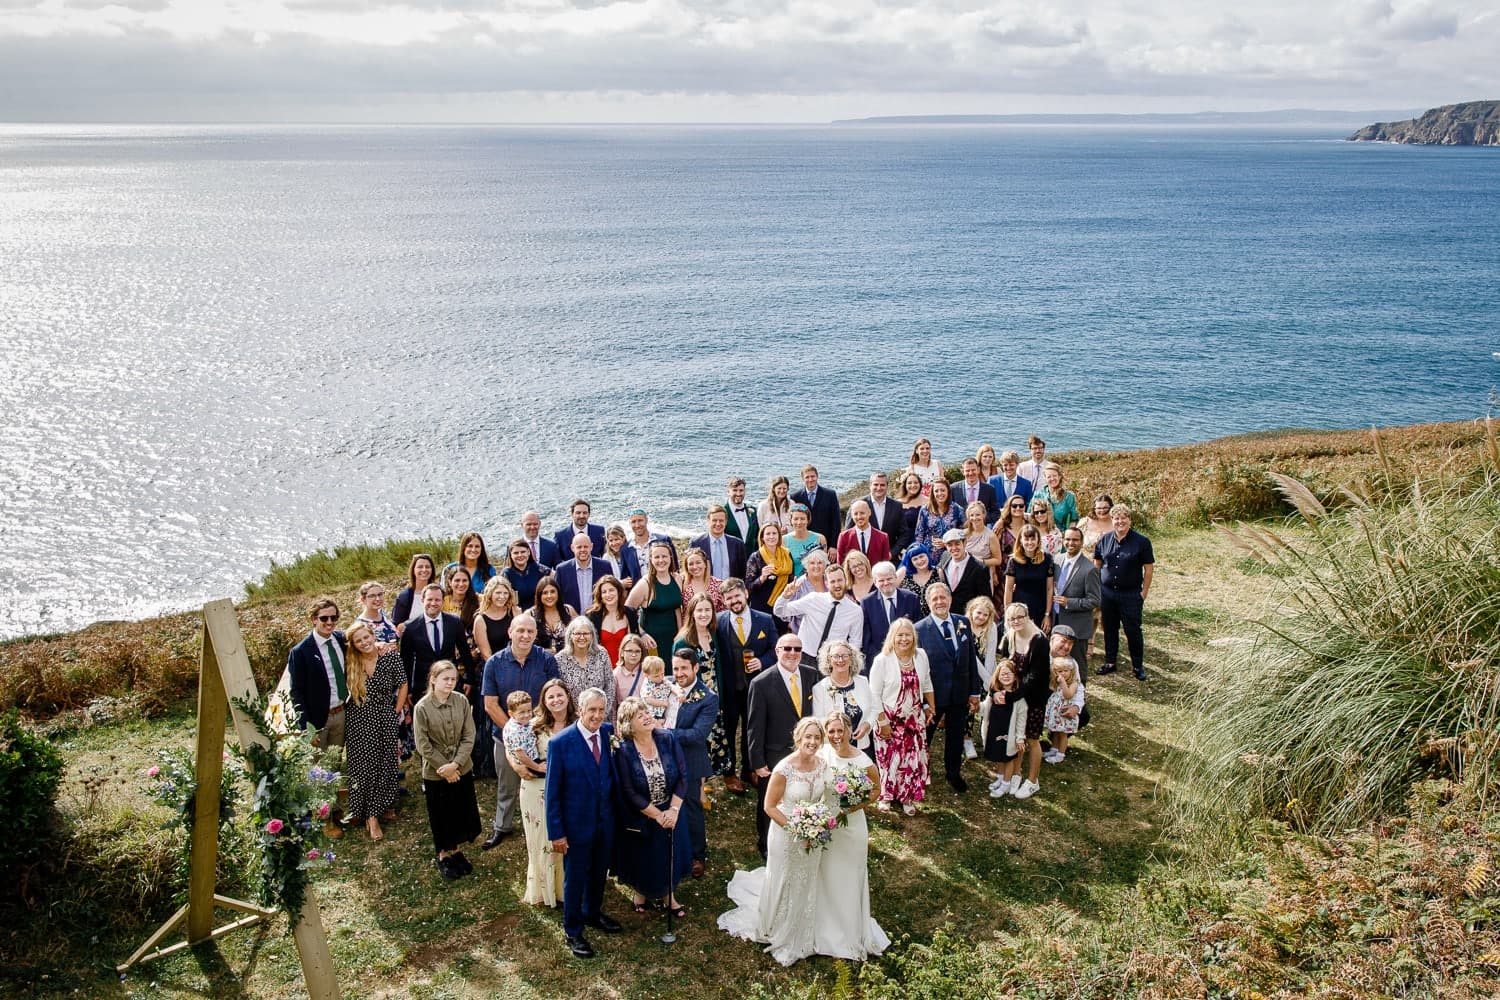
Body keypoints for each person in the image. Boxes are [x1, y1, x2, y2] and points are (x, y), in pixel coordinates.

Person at [717, 717, 831, 966]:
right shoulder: (783, 769)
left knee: (807, 878)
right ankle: (778, 926)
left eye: (817, 737)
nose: (812, 742)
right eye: (808, 737)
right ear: (798, 738)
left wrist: (818, 824)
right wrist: (797, 829)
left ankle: (804, 923)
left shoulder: (823, 766)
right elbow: (769, 807)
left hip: (813, 834)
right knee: (785, 877)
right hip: (786, 833)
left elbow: (825, 799)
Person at [545, 688, 622, 958]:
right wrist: (557, 833)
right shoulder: (561, 743)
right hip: (576, 826)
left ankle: (593, 912)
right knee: (575, 878)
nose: (597, 716)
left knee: (600, 871)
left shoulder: (608, 732)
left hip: (605, 822)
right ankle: (573, 930)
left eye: (601, 710)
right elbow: (552, 793)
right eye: (592, 710)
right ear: (579, 710)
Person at [480, 613, 560, 851]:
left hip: (541, 735)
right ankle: (502, 826)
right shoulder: (495, 663)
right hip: (506, 735)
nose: (525, 636)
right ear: (510, 632)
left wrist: (533, 731)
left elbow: (552, 696)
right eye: (520, 631)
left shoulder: (546, 660)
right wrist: (515, 734)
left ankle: (546, 826)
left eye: (530, 632)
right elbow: (490, 704)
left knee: (545, 783)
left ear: (536, 634)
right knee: (508, 784)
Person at [815, 712, 889, 961]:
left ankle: (850, 928)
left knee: (850, 875)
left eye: (840, 730)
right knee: (826, 872)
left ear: (849, 730)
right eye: (832, 731)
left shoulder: (863, 760)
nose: (836, 736)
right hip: (826, 823)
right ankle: (825, 923)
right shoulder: (822, 753)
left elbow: (877, 790)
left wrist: (851, 807)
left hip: (851, 827)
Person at [613, 696, 692, 917]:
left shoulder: (666, 738)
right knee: (644, 855)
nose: (648, 716)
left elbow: (683, 776)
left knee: (670, 853)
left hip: (672, 808)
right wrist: (657, 815)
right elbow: (629, 791)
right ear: (629, 724)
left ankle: (669, 895)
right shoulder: (624, 750)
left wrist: (673, 810)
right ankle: (641, 891)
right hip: (643, 813)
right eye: (640, 715)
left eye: (647, 712)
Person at [744, 633, 819, 857]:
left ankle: (801, 835)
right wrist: (757, 762)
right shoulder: (761, 682)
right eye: (787, 648)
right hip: (775, 754)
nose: (792, 654)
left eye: (797, 649)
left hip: (806, 753)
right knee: (770, 801)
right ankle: (766, 845)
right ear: (777, 651)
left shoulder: (812, 675)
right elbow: (754, 727)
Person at [413, 660, 480, 880]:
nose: (450, 683)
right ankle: (443, 854)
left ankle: (456, 849)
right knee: (441, 813)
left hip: (461, 768)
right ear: (433, 680)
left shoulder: (461, 701)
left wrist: (456, 764)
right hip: (436, 772)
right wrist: (445, 768)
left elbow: (469, 735)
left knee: (459, 809)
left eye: (453, 679)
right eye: (445, 679)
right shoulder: (422, 707)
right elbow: (423, 745)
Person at [341, 622, 406, 841]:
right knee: (362, 764)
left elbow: (403, 684)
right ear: (354, 644)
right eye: (359, 640)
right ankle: (368, 814)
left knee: (386, 761)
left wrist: (396, 710)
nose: (364, 643)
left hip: (385, 714)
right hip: (358, 717)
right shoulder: (351, 660)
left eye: (367, 638)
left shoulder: (390, 657)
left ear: (373, 635)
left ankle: (382, 807)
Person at [915, 581, 981, 794]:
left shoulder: (963, 622)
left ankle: (953, 773)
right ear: (928, 603)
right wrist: (924, 701)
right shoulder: (919, 629)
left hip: (959, 694)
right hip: (933, 696)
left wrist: (974, 691)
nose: (939, 602)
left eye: (943, 597)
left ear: (950, 600)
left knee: (955, 736)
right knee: (925, 736)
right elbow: (918, 669)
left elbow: (971, 657)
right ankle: (919, 772)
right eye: (934, 599)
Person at [712, 578, 775, 796]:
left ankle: (749, 770)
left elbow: (775, 649)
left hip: (755, 689)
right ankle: (729, 772)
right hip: (729, 689)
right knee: (728, 730)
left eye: (737, 596)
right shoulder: (718, 622)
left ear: (746, 594)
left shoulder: (765, 620)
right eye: (729, 598)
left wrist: (763, 661)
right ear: (724, 601)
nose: (734, 601)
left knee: (752, 730)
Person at [514, 678, 573, 907]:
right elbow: (513, 745)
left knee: (565, 837)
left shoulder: (578, 723)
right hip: (537, 788)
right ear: (544, 701)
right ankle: (543, 889)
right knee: (542, 839)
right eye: (551, 697)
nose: (556, 700)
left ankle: (565, 888)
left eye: (560, 695)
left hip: (568, 789)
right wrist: (519, 765)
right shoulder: (533, 725)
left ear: (568, 696)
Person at [868, 618, 934, 815]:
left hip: (914, 719)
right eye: (900, 635)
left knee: (910, 760)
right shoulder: (882, 660)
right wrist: (882, 721)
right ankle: (886, 796)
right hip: (888, 717)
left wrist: (931, 706)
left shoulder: (920, 656)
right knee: (888, 760)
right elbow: (874, 694)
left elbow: (927, 682)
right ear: (892, 637)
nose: (904, 639)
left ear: (914, 637)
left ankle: (907, 797)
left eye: (908, 634)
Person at [669, 649, 720, 877]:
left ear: (695, 668)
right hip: (663, 759)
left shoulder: (708, 697)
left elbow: (698, 734)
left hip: (690, 760)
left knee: (691, 808)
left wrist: (665, 733)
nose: (679, 673)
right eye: (676, 668)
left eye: (683, 668)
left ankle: (697, 855)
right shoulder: (665, 685)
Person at [1095, 504, 1155, 681]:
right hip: (1107, 594)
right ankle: (1110, 662)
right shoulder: (1104, 540)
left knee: (1133, 630)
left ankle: (1137, 666)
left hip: (1131, 594)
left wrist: (1143, 593)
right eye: (1116, 518)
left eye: (1124, 518)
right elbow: (1097, 565)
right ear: (1112, 520)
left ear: (1130, 520)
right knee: (1110, 629)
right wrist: (1098, 589)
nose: (1120, 521)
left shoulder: (1142, 542)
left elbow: (1148, 569)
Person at [672, 595, 729, 780]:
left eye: (707, 610)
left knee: (714, 735)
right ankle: (698, 782)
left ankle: (707, 776)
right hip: (695, 698)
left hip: (714, 694)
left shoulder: (712, 633)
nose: (704, 614)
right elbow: (678, 674)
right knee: (699, 739)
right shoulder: (683, 641)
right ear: (692, 613)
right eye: (699, 610)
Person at [999, 602, 1050, 800]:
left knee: (1031, 738)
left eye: (1020, 617)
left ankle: (1032, 780)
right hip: (1017, 696)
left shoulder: (1039, 640)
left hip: (1033, 697)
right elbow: (1005, 663)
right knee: (1017, 736)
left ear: (1028, 616)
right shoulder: (1010, 636)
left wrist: (1014, 694)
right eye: (1012, 619)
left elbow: (1035, 676)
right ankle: (1016, 773)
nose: (1016, 621)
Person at [287, 597, 350, 753]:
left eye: (334, 618)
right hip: (318, 719)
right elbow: (296, 692)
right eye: (324, 618)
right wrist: (306, 726)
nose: (329, 622)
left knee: (335, 761)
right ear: (314, 619)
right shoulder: (301, 652)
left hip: (341, 712)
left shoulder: (341, 640)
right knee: (318, 767)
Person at [399, 584, 477, 705]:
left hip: (451, 683)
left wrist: (469, 680)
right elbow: (405, 661)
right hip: (422, 686)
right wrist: (407, 689)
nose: (433, 603)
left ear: (442, 601)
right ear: (422, 600)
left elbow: (465, 652)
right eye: (429, 599)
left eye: (437, 600)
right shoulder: (410, 627)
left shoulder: (454, 622)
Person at [773, 563, 864, 661]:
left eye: (840, 580)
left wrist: (847, 663)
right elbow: (780, 611)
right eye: (832, 581)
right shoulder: (813, 599)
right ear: (826, 583)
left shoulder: (855, 611)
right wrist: (785, 596)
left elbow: (855, 642)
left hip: (832, 661)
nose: (837, 585)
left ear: (845, 581)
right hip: (804, 657)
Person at [811, 640, 875, 752]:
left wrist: (867, 725)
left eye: (845, 656)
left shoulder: (863, 682)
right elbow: (819, 720)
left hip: (861, 747)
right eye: (835, 656)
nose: (840, 660)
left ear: (851, 659)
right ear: (829, 660)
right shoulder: (819, 688)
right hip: (833, 749)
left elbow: (874, 709)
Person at [1053, 528, 1101, 667]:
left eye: (1075, 540)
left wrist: (1069, 602)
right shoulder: (1057, 560)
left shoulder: (1089, 569)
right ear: (1063, 541)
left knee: (1077, 665)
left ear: (1081, 542)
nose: (1070, 543)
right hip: (1056, 620)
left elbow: (1094, 600)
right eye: (1067, 539)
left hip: (1076, 626)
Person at [861, 560, 921, 669]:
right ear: (875, 582)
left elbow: (917, 631)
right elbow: (866, 637)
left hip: (908, 659)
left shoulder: (912, 598)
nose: (886, 583)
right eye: (881, 580)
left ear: (895, 577)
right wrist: (881, 657)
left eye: (889, 579)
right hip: (880, 659)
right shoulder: (867, 602)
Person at [627, 540, 683, 657]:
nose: (661, 560)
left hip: (674, 638)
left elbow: (677, 608)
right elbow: (627, 612)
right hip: (652, 642)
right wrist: (642, 634)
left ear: (670, 558)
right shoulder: (645, 584)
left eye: (664, 556)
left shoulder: (677, 579)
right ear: (651, 560)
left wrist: (681, 634)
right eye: (656, 557)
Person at [556, 617, 616, 722]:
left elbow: (610, 684)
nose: (582, 637)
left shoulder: (601, 654)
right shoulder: (560, 659)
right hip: (572, 719)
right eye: (578, 634)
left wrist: (603, 712)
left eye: (586, 634)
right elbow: (559, 691)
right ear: (570, 635)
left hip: (600, 718)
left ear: (592, 636)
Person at [984, 659, 1026, 798]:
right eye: (1003, 673)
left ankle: (1006, 784)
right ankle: (1001, 778)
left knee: (1008, 758)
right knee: (998, 756)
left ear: (1015, 677)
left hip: (1010, 735)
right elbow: (985, 709)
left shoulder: (1018, 699)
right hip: (995, 731)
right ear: (997, 676)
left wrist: (1020, 738)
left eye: (1009, 673)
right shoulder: (994, 694)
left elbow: (1021, 720)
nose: (1006, 676)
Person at [845, 471, 908, 557]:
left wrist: (892, 553)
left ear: (887, 486)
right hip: (863, 559)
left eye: (882, 485)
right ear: (870, 486)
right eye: (875, 484)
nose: (879, 488)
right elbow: (848, 533)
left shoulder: (896, 506)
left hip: (889, 558)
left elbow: (904, 534)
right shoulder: (857, 504)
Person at [1004, 525, 1056, 629]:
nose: (1030, 542)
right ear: (1021, 541)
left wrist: (1047, 614)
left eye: (1033, 539)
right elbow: (1008, 589)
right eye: (1026, 539)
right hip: (1019, 607)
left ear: (1038, 540)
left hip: (1040, 607)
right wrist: (1008, 613)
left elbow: (1050, 588)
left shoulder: (1047, 559)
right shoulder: (1013, 561)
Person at [553, 534, 613, 619]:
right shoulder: (562, 570)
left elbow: (612, 592)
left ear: (591, 547)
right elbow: (557, 597)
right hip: (571, 621)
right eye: (579, 547)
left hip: (601, 619)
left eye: (586, 547)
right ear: (572, 548)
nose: (583, 550)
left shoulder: (605, 566)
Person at [936, 527, 993, 613]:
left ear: (965, 543)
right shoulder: (945, 556)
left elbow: (985, 599)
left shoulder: (980, 568)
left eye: (957, 544)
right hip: (947, 614)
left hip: (968, 617)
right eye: (949, 545)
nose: (954, 548)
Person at [790, 465, 842, 557]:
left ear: (817, 476)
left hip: (826, 543)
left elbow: (836, 521)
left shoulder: (830, 495)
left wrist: (834, 546)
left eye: (813, 476)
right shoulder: (795, 497)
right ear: (802, 479)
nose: (810, 479)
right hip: (803, 544)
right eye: (807, 477)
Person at [586, 576, 638, 666]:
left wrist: (644, 634)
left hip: (625, 667)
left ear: (618, 591)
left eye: (611, 590)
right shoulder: (592, 616)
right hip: (601, 668)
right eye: (604, 592)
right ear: (600, 596)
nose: (608, 594)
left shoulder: (630, 613)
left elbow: (636, 638)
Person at [745, 521, 793, 617]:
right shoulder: (755, 557)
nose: (771, 536)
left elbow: (790, 580)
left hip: (782, 604)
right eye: (768, 534)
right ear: (762, 537)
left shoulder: (787, 554)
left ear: (779, 536)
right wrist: (762, 577)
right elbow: (748, 587)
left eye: (774, 533)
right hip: (761, 606)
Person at [1043, 655, 1085, 764]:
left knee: (1063, 734)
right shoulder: (1057, 682)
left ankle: (1061, 754)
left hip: (1065, 712)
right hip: (1057, 712)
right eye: (1060, 671)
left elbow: (1068, 695)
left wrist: (1063, 683)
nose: (1063, 673)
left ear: (1071, 671)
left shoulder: (1074, 683)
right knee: (1056, 731)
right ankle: (1054, 749)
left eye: (1066, 671)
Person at [691, 505, 748, 582]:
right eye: (714, 520)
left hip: (730, 591)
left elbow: (743, 573)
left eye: (721, 520)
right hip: (705, 591)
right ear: (708, 521)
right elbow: (690, 571)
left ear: (726, 521)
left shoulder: (737, 544)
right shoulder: (696, 543)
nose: (718, 524)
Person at [473, 577, 519, 663]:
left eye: (505, 593)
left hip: (517, 662)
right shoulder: (480, 620)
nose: (502, 597)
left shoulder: (514, 612)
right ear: (490, 594)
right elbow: (486, 655)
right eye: (498, 593)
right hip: (494, 665)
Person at [962, 501, 1005, 589]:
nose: (975, 518)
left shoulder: (991, 536)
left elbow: (998, 560)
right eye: (972, 515)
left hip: (983, 574)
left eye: (978, 515)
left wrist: (980, 561)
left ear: (983, 515)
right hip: (965, 574)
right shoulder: (963, 534)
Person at [441, 565, 479, 664]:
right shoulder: (442, 602)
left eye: (464, 580)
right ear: (450, 582)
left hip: (474, 654)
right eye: (457, 580)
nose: (461, 584)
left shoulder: (479, 600)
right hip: (449, 654)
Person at [913, 478, 964, 552]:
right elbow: (919, 535)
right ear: (933, 493)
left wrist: (947, 543)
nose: (940, 493)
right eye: (936, 491)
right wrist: (919, 552)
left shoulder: (957, 509)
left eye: (943, 490)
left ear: (948, 491)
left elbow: (963, 532)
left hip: (951, 553)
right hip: (928, 553)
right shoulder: (925, 510)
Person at [530, 575, 576, 653]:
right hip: (540, 660)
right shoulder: (530, 614)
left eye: (552, 591)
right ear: (539, 595)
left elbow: (579, 635)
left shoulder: (569, 610)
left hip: (567, 658)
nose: (549, 596)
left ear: (558, 592)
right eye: (545, 593)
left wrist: (556, 649)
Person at [836, 500, 891, 566]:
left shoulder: (883, 537)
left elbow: (885, 565)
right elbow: (841, 564)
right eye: (855, 514)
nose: (859, 517)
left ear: (869, 512)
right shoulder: (843, 537)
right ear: (852, 515)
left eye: (862, 513)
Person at [392, 554, 437, 632]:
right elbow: (397, 626)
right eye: (420, 567)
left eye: (427, 567)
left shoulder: (439, 592)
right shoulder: (404, 596)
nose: (424, 570)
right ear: (413, 570)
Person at [624, 509, 676, 575]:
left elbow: (674, 567)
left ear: (646, 520)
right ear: (630, 524)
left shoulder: (664, 540)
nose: (637, 525)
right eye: (633, 522)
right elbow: (625, 576)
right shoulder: (625, 549)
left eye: (640, 520)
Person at [501, 538, 546, 610]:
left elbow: (555, 576)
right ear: (510, 555)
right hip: (517, 613)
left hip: (539, 610)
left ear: (528, 552)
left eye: (523, 552)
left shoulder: (538, 568)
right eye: (516, 553)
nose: (520, 555)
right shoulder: (506, 573)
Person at [1034, 462, 1080, 533]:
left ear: (1060, 476)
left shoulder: (1069, 496)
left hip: (1061, 535)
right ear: (1045, 478)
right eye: (1049, 477)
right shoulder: (1038, 494)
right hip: (1041, 534)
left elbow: (1073, 520)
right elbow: (1031, 516)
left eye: (1054, 476)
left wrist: (1067, 536)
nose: (1052, 479)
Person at [782, 504, 826, 578]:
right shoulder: (784, 540)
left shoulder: (820, 538)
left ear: (808, 520)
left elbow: (824, 566)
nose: (799, 522)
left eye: (802, 519)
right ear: (791, 521)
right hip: (794, 583)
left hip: (815, 582)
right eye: (796, 519)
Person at [895, 543, 938, 617]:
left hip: (934, 617)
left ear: (927, 555)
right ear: (910, 561)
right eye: (915, 559)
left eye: (921, 556)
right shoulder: (903, 572)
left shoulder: (938, 572)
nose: (920, 560)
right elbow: (892, 592)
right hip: (909, 617)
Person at [678, 546, 726, 612]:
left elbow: (724, 610)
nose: (695, 567)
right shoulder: (682, 583)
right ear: (687, 567)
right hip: (688, 622)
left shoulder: (718, 584)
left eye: (698, 562)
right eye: (691, 564)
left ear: (705, 564)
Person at [955, 458, 1001, 525]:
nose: (970, 473)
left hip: (982, 529)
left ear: (978, 470)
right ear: (962, 472)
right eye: (967, 471)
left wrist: (980, 519)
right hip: (961, 529)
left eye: (973, 470)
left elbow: (996, 513)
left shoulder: (989, 489)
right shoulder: (954, 489)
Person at [353, 581, 399, 647]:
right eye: (372, 596)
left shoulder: (382, 613)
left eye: (380, 594)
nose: (378, 599)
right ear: (363, 599)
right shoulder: (361, 624)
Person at [720, 475, 759, 545]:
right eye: (735, 490)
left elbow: (757, 535)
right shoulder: (722, 512)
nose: (738, 494)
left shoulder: (753, 510)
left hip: (751, 555)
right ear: (728, 492)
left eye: (741, 490)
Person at [612, 634, 648, 708]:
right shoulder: (615, 674)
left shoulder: (647, 670)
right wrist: (615, 720)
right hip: (627, 716)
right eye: (629, 651)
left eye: (637, 651)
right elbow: (613, 704)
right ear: (622, 652)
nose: (634, 655)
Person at [600, 525, 640, 591]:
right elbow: (605, 581)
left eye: (616, 539)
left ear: (623, 538)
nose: (614, 543)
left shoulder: (633, 553)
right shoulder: (606, 558)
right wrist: (621, 583)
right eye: (611, 540)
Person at [897, 471, 927, 554]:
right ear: (905, 485)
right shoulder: (898, 503)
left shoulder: (928, 501)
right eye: (909, 483)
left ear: (920, 484)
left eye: (916, 482)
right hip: (905, 544)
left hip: (925, 542)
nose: (913, 485)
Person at [639, 654, 675, 722]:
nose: (660, 677)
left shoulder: (663, 680)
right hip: (655, 714)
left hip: (664, 711)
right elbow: (648, 700)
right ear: (646, 675)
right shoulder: (646, 686)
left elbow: (671, 686)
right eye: (656, 676)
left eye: (662, 674)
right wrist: (663, 703)